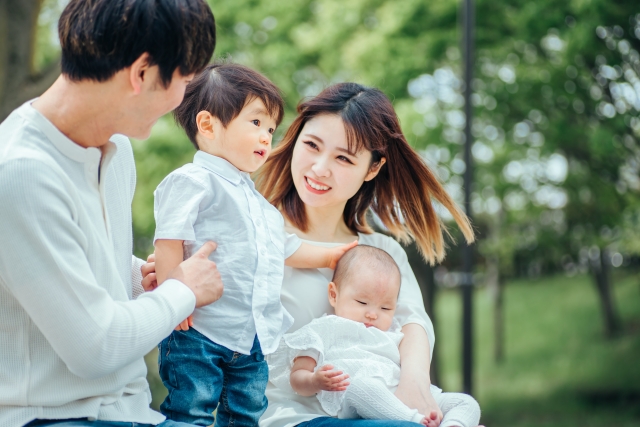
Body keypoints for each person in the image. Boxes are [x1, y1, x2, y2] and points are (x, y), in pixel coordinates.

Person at [0, 1, 220, 426]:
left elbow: (80, 265)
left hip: (134, 412)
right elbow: (94, 346)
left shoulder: (115, 151)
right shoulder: (20, 172)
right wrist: (183, 290)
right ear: (141, 73)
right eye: (184, 81)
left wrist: (138, 278)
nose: (182, 100)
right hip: (52, 418)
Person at [254, 82, 478, 427]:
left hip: (379, 410)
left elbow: (414, 323)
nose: (319, 168)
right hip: (287, 417)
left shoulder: (382, 252)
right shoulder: (254, 232)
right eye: (312, 145)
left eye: (343, 157)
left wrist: (414, 383)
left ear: (372, 169)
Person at [153, 63, 356, 427]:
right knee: (190, 411)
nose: (267, 137)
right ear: (208, 125)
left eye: (271, 129)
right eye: (256, 123)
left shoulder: (258, 203)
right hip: (199, 329)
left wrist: (332, 254)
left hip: (250, 339)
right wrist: (173, 297)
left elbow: (287, 249)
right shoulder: (193, 181)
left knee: (246, 416)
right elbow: (169, 240)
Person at [268, 245, 480, 427]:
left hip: (402, 393)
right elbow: (297, 377)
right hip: (356, 395)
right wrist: (315, 380)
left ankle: (453, 424)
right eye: (362, 302)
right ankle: (414, 421)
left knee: (465, 403)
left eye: (386, 308)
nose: (372, 313)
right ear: (334, 294)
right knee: (362, 386)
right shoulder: (324, 329)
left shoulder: (393, 333)